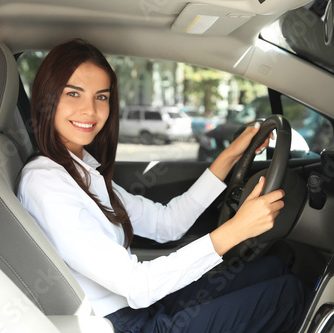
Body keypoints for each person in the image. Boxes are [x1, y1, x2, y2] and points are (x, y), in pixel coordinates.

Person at [18, 39, 307, 332]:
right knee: (288, 295)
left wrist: (229, 156)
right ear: (48, 96)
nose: (90, 111)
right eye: (73, 93)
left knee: (274, 269)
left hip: (138, 309)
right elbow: (137, 284)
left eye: (101, 97)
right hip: (121, 325)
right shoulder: (45, 184)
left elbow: (168, 223)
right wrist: (236, 229)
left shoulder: (81, 171)